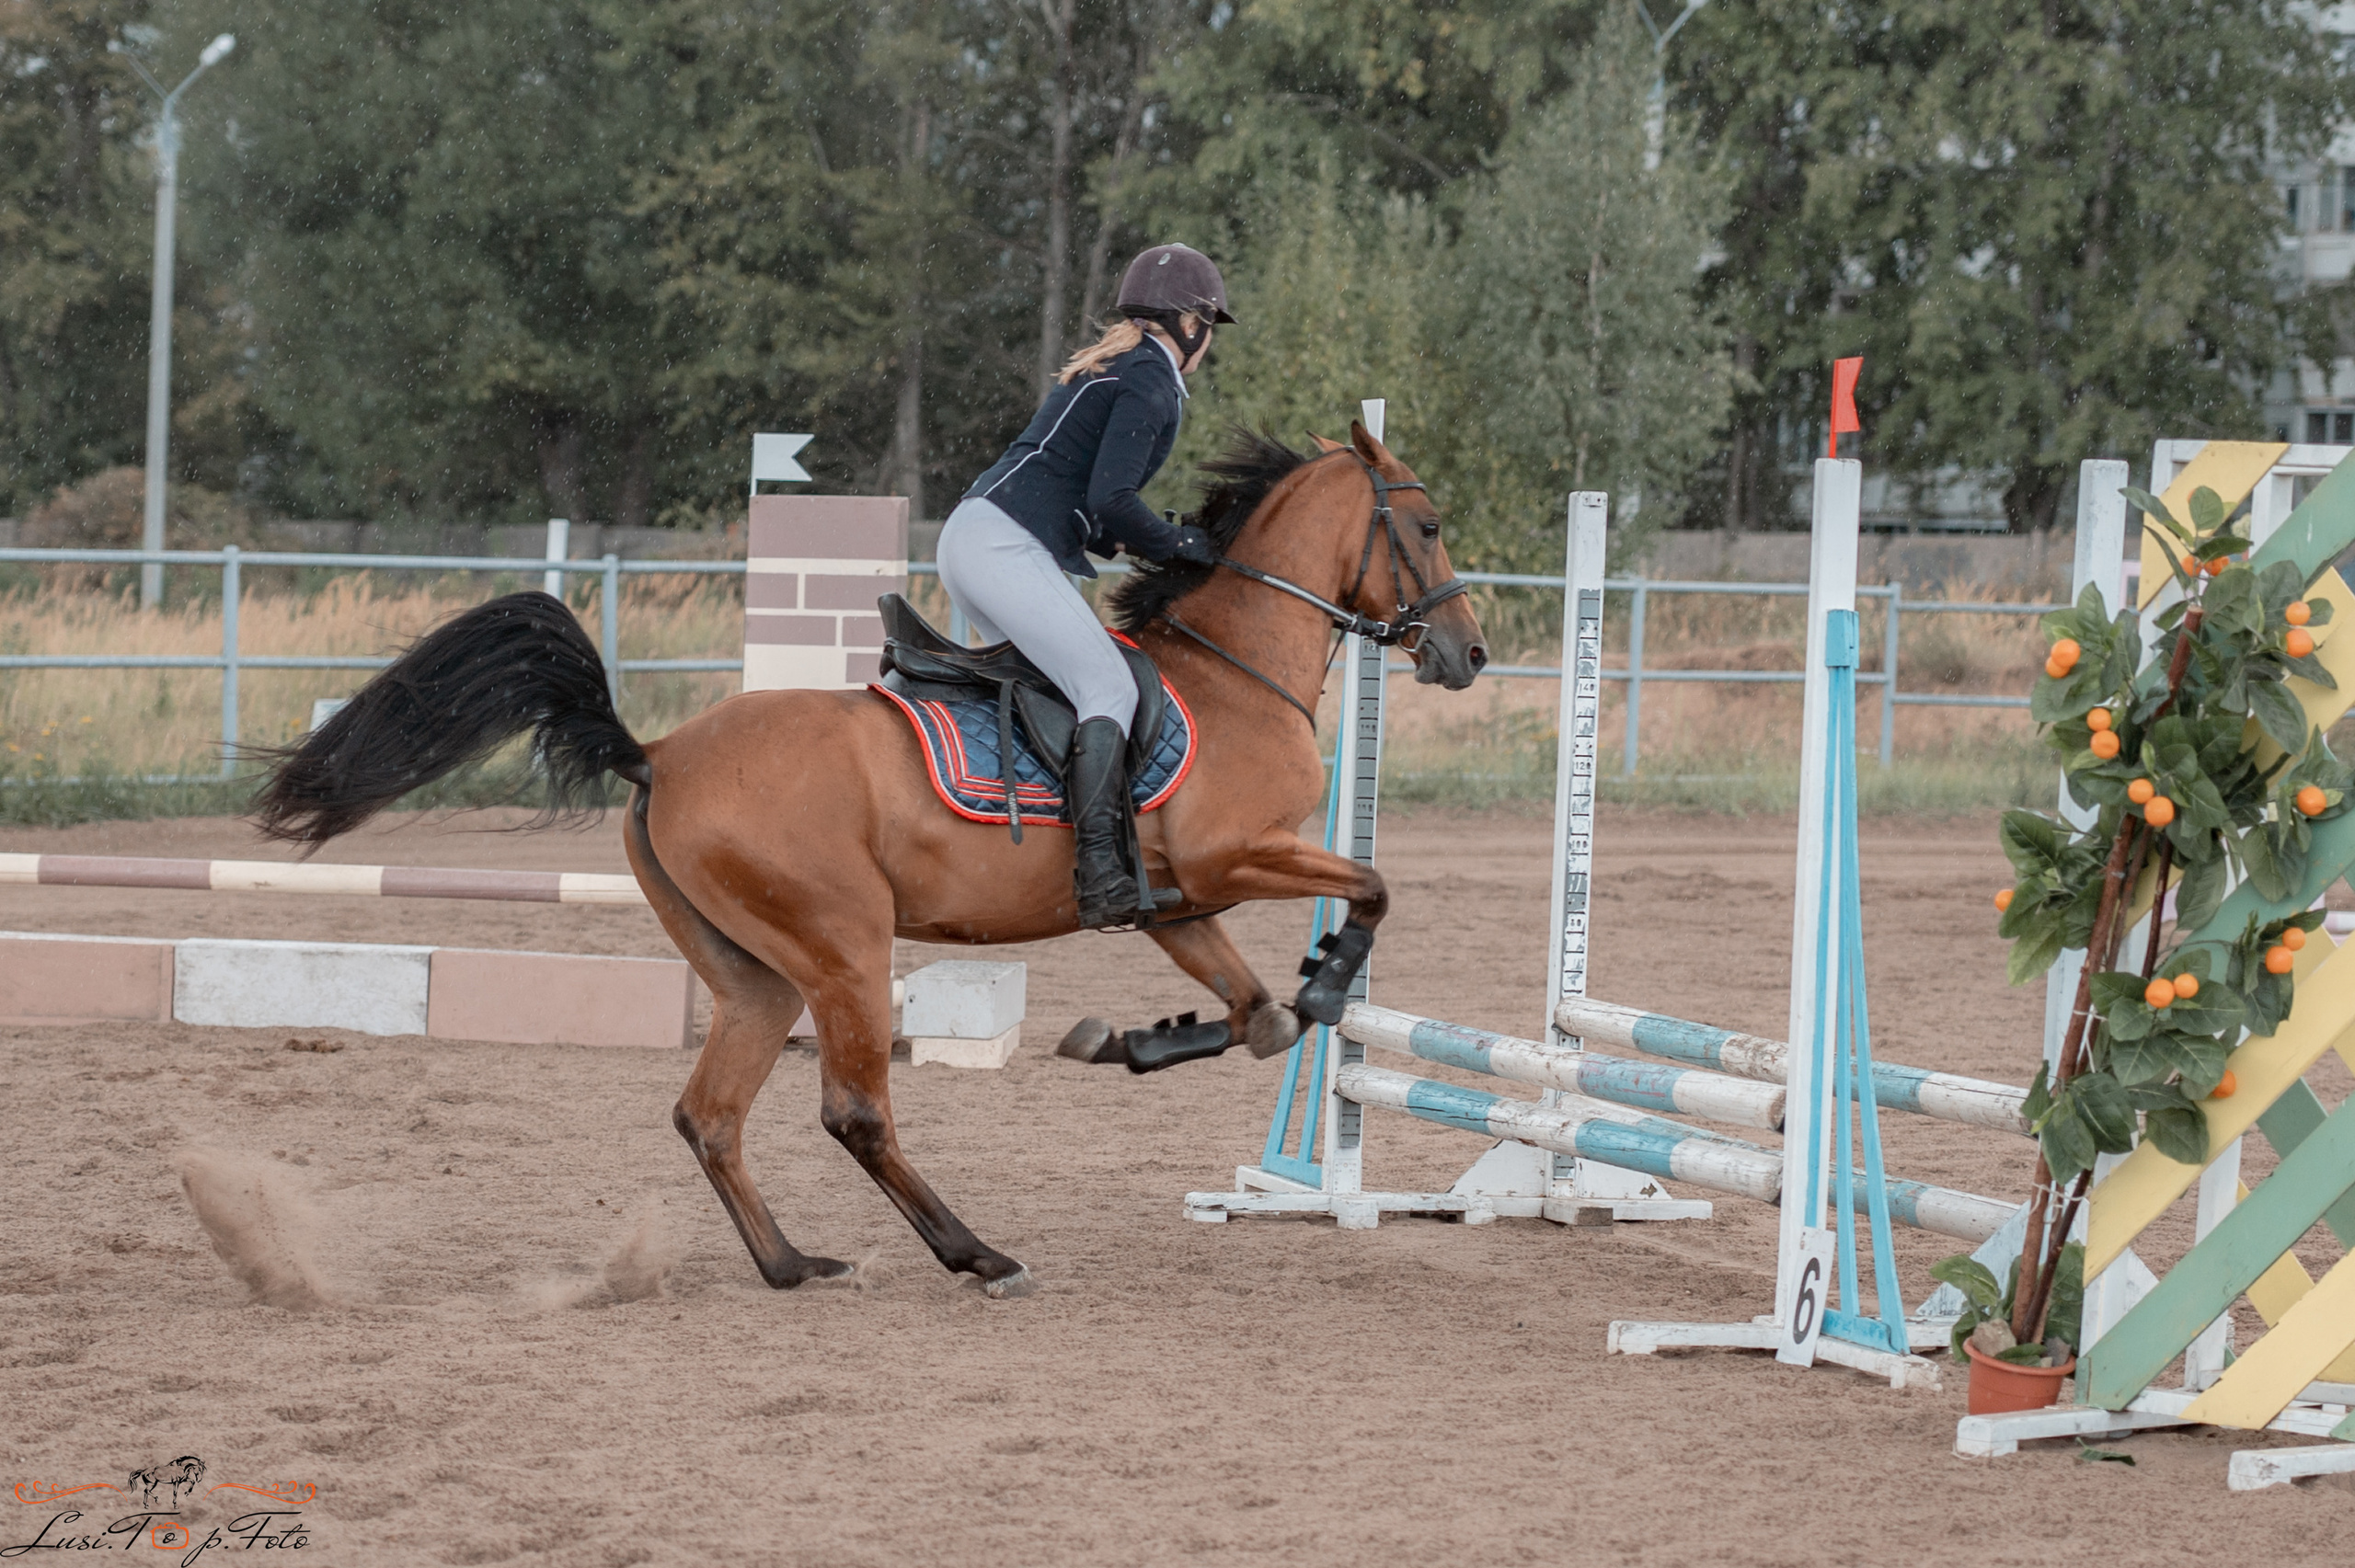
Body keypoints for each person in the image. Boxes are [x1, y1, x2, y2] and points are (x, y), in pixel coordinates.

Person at [937, 242, 1235, 930]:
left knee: (1063, 689)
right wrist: (1181, 543)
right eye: (1209, 328)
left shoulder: (1114, 365)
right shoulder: (1151, 380)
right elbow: (1111, 500)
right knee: (1110, 687)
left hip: (978, 537)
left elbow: (1093, 509)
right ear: (1188, 324)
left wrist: (1144, 538)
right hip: (1005, 545)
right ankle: (1101, 873)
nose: (1209, 343)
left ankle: (1033, 836)